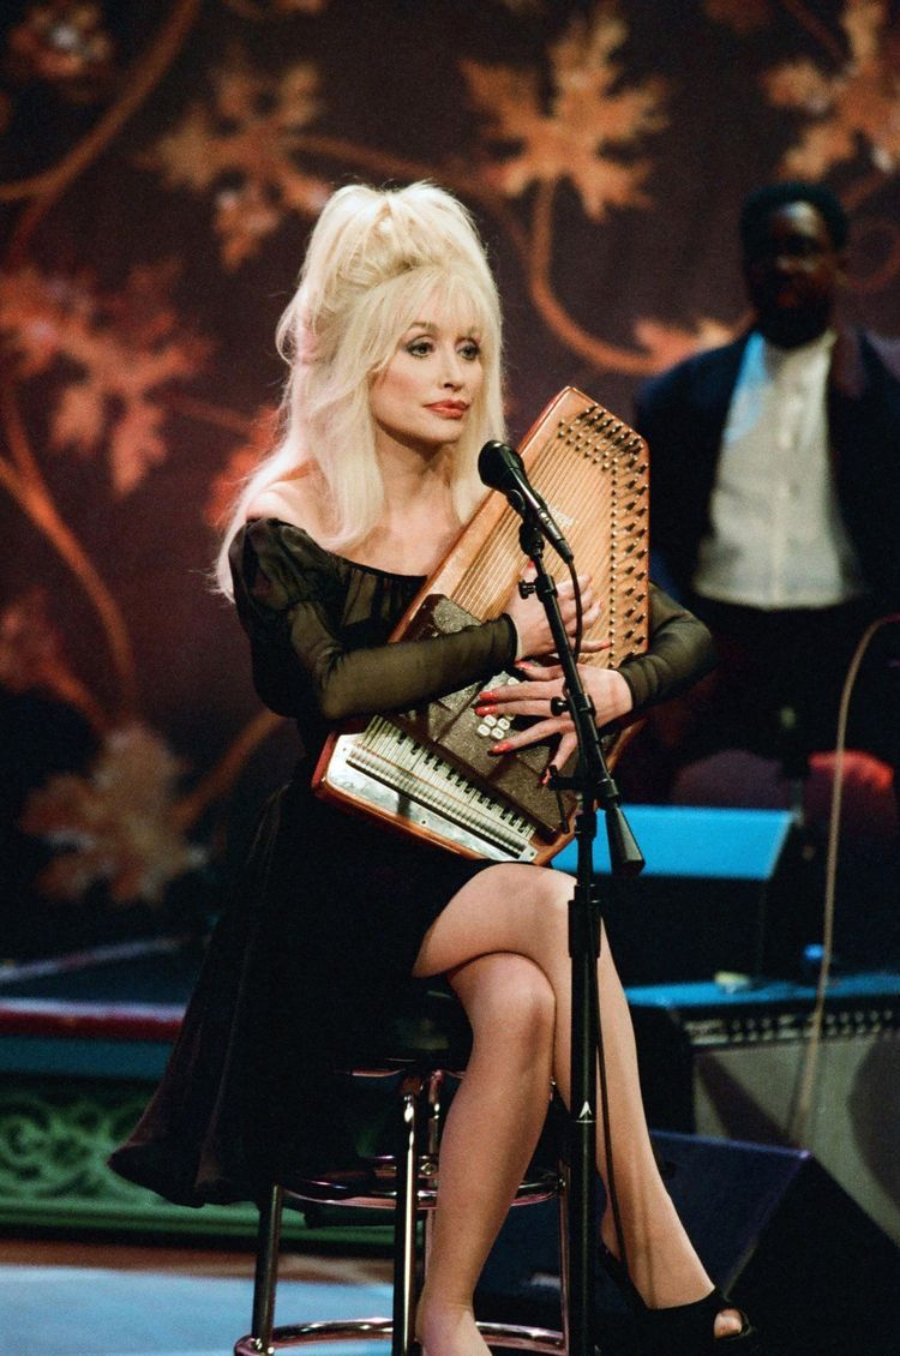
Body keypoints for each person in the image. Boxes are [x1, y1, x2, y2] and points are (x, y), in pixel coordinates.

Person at [110, 181, 759, 1354]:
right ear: (357, 360)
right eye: (420, 347)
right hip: (329, 876)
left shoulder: (505, 505)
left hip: (468, 854)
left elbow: (690, 634)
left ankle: (445, 1320)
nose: (454, 374)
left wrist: (608, 686)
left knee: (519, 999)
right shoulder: (285, 522)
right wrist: (510, 636)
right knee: (566, 907)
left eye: (471, 346)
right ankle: (648, 1234)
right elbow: (336, 690)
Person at [632, 181, 900, 810]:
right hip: (723, 649)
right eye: (764, 250)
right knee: (705, 829)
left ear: (840, 260)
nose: (782, 266)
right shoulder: (679, 398)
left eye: (802, 248)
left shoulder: (889, 387)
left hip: (851, 648)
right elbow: (648, 538)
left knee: (855, 834)